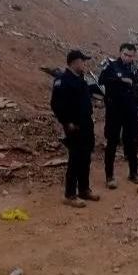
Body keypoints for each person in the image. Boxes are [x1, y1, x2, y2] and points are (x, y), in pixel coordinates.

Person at [50, 50, 101, 208]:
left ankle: (84, 189)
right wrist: (67, 122)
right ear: (74, 62)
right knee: (75, 159)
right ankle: (70, 194)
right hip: (74, 127)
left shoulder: (80, 79)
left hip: (86, 124)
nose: (85, 64)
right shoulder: (63, 81)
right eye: (82, 61)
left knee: (85, 158)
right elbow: (56, 105)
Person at [98, 43, 138, 189]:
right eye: (125, 54)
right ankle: (109, 176)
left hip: (130, 111)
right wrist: (121, 80)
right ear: (120, 53)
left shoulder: (135, 71)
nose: (127, 58)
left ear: (134, 56)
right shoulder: (111, 67)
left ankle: (134, 172)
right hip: (114, 111)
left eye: (130, 56)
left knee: (130, 141)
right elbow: (101, 80)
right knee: (112, 142)